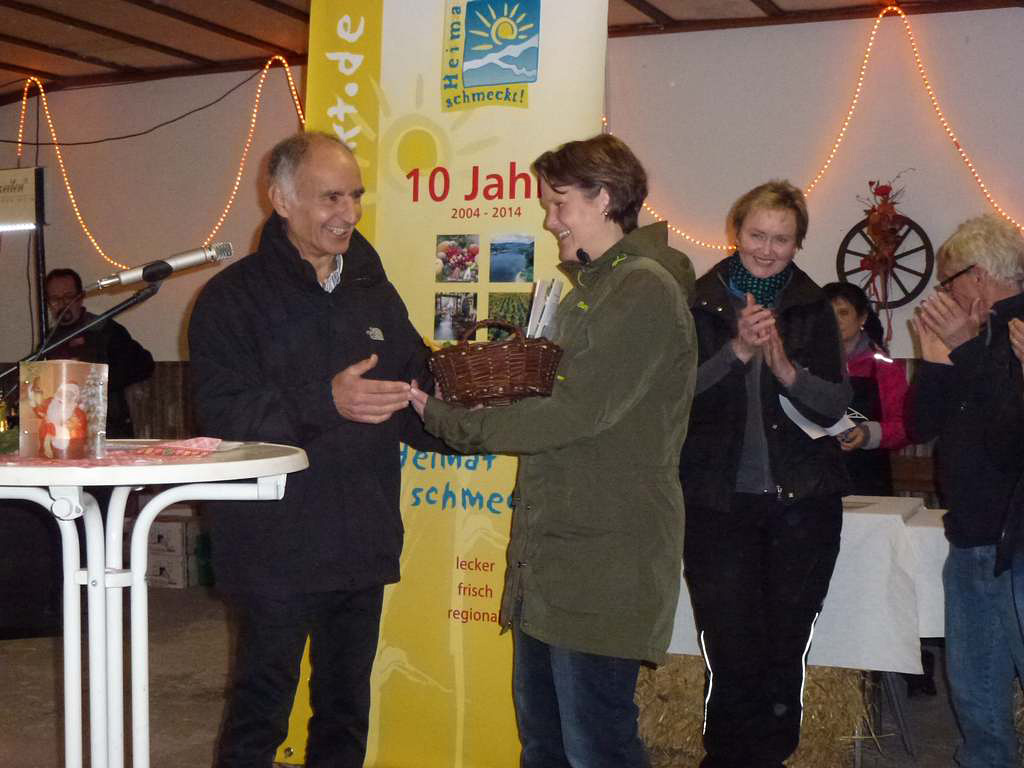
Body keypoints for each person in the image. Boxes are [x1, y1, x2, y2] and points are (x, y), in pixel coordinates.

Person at [410, 133, 697, 768]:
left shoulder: (642, 290)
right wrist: (484, 405)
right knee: (544, 745)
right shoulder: (590, 291)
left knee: (597, 748)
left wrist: (450, 421)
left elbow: (574, 414)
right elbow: (554, 405)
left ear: (605, 199)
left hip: (605, 560)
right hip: (551, 558)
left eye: (559, 203)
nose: (549, 220)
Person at [188, 131, 444, 768]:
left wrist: (459, 403)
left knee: (345, 710)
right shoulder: (231, 299)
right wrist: (325, 400)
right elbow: (222, 417)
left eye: (355, 196)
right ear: (280, 200)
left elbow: (411, 392)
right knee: (261, 712)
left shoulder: (374, 290)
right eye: (331, 197)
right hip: (273, 545)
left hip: (362, 538)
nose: (349, 213)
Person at [679, 180, 851, 768]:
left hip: (803, 504)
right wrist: (736, 353)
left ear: (798, 243)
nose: (768, 249)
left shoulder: (812, 306)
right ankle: (726, 756)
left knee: (785, 646)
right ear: (736, 232)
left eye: (782, 239)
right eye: (757, 235)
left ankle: (772, 755)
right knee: (729, 644)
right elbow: (672, 398)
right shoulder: (697, 301)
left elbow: (834, 405)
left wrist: (783, 368)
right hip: (716, 502)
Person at [907, 213, 1024, 768]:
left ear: (977, 276)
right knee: (977, 695)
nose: (943, 295)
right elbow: (921, 425)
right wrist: (936, 361)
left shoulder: (1013, 330)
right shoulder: (973, 335)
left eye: (948, 281)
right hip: (970, 534)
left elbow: (1010, 442)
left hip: (1015, 542)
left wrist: (966, 348)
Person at [43, 267, 154, 438]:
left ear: (80, 297)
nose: (63, 304)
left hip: (106, 428)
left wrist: (95, 382)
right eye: (55, 299)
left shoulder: (105, 330)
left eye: (68, 297)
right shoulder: (48, 341)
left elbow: (145, 365)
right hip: (62, 431)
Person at [822, 281, 909, 495]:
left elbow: (905, 426)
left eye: (843, 313)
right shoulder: (804, 365)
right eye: (828, 313)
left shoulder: (884, 368)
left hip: (866, 479)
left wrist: (868, 434)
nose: (835, 321)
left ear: (862, 318)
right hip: (816, 477)